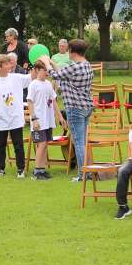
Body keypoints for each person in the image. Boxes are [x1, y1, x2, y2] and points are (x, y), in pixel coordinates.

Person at [43, 39, 95, 179]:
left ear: (72, 51)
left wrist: (47, 63)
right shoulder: (86, 65)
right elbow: (64, 73)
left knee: (78, 142)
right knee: (83, 141)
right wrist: (53, 63)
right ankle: (88, 172)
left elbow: (55, 75)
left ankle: (82, 174)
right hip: (86, 107)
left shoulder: (74, 67)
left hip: (75, 108)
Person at [0, 52, 29, 178]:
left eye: (9, 62)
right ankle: (0, 170)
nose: (10, 64)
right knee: (1, 145)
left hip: (15, 117)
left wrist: (40, 63)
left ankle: (20, 170)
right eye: (6, 63)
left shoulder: (16, 77)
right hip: (0, 118)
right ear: (0, 66)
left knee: (18, 144)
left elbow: (32, 76)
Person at [28, 60, 58, 180]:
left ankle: (42, 169)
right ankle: (37, 171)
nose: (46, 72)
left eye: (47, 70)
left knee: (45, 145)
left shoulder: (48, 84)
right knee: (41, 144)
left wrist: (59, 116)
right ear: (36, 70)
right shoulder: (33, 84)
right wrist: (34, 119)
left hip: (48, 120)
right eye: (44, 70)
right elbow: (30, 102)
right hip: (38, 121)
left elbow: (54, 100)